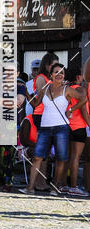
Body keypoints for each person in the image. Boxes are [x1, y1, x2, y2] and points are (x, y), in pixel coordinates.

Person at [27, 62, 84, 194]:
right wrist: (27, 95)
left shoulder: (67, 89)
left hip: (61, 128)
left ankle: (55, 186)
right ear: (51, 74)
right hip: (45, 127)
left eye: (62, 73)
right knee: (37, 157)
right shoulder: (45, 89)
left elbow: (83, 99)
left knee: (60, 158)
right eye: (56, 72)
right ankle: (30, 187)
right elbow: (36, 104)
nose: (59, 75)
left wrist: (71, 109)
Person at [65, 65, 89, 197]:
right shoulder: (80, 89)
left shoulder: (67, 89)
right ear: (78, 76)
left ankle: (64, 184)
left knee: (67, 157)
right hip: (79, 125)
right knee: (76, 157)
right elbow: (83, 109)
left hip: (67, 125)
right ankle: (73, 186)